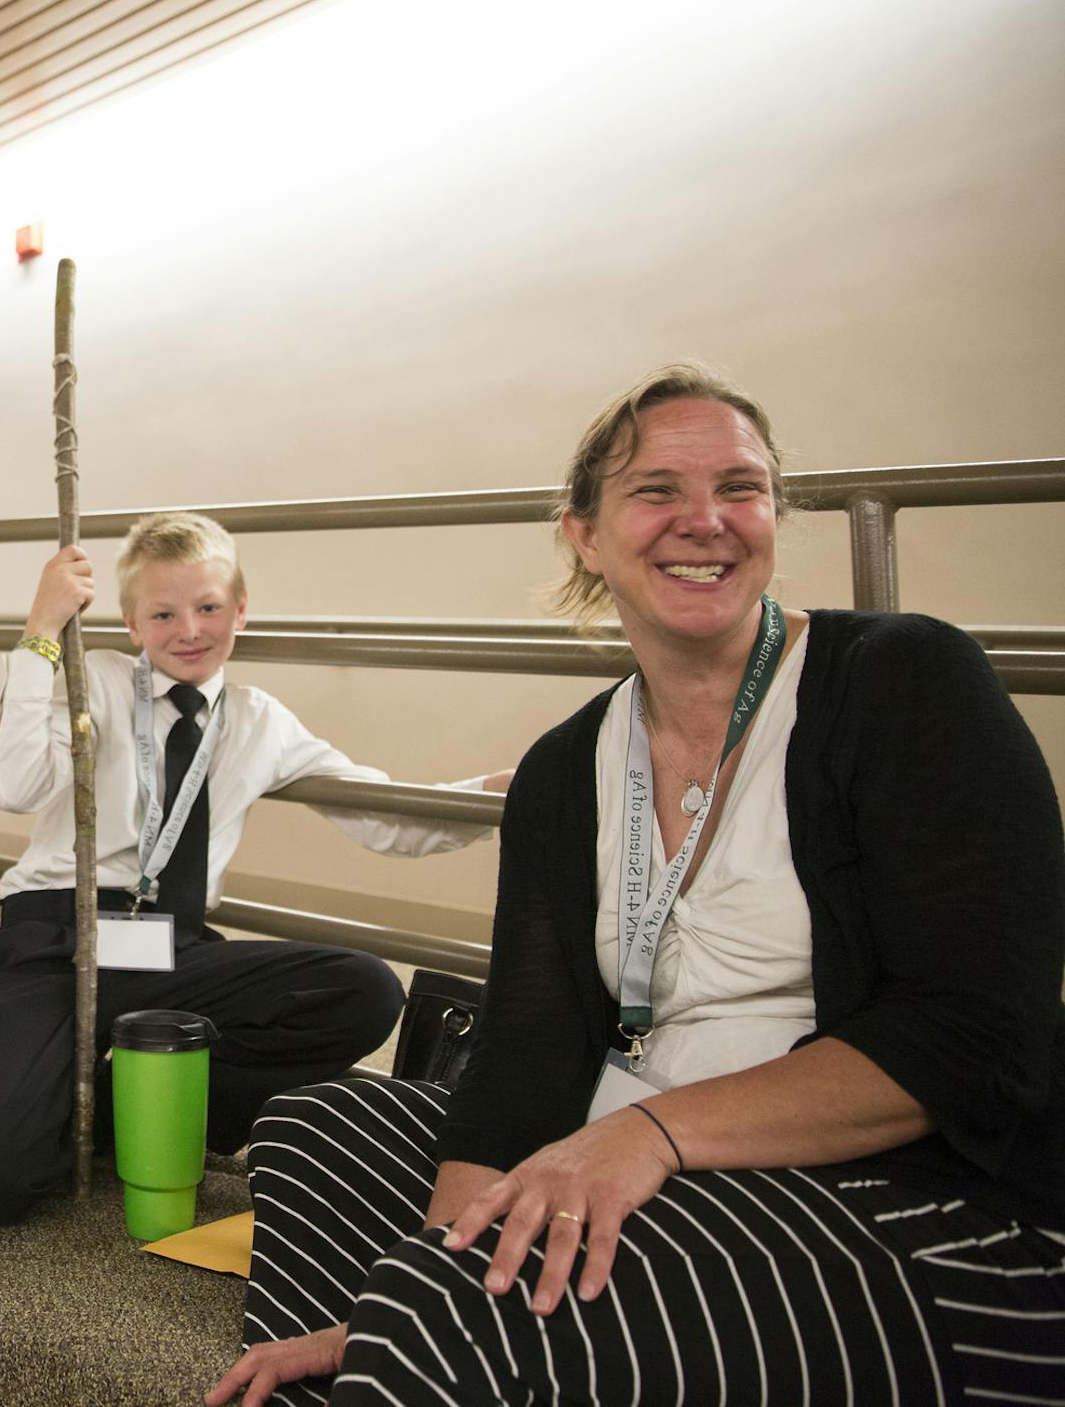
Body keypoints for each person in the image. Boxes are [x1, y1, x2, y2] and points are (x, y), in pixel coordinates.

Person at [211, 363, 1065, 1407]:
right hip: (631, 1147)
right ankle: (412, 1352)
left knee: (468, 1312)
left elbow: (975, 1037)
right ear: (585, 533)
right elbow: (525, 1057)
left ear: (774, 517)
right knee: (320, 1129)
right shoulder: (570, 769)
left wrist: (649, 1137)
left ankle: (435, 1352)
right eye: (657, 490)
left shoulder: (903, 681)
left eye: (740, 488)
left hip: (894, 1193)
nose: (703, 520)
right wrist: (429, 1273)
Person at [0, 512, 515, 1225]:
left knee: (366, 990)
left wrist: (503, 794)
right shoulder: (93, 680)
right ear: (132, 624)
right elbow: (13, 787)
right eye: (163, 614)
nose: (190, 630)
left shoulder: (260, 721)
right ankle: (34, 1113)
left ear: (241, 609)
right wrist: (42, 631)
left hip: (170, 946)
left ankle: (110, 1113)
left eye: (208, 608)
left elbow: (386, 819)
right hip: (56, 936)